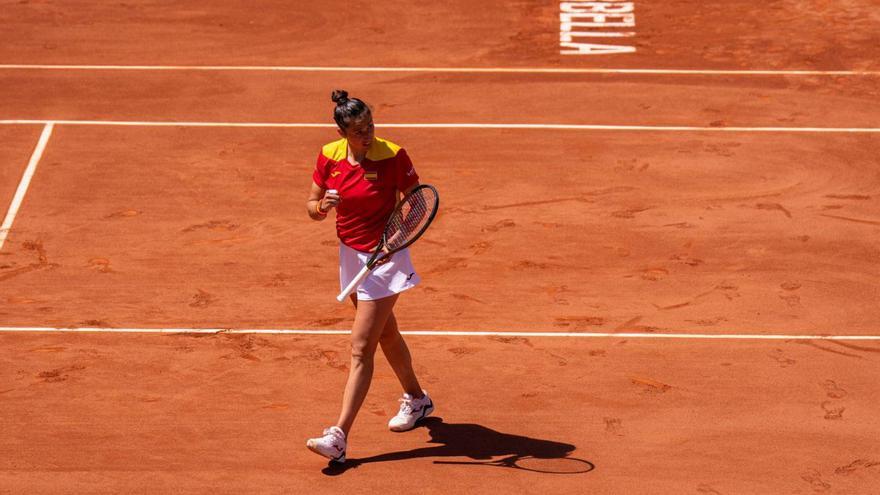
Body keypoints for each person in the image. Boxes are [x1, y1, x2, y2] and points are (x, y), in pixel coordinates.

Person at [305, 90, 434, 464]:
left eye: (370, 125)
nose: (368, 134)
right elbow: (311, 206)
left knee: (361, 346)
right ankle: (417, 399)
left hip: (386, 259)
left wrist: (394, 242)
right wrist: (320, 208)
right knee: (387, 334)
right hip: (352, 256)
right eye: (359, 130)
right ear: (343, 132)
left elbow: (418, 204)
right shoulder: (329, 156)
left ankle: (339, 435)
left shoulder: (392, 154)